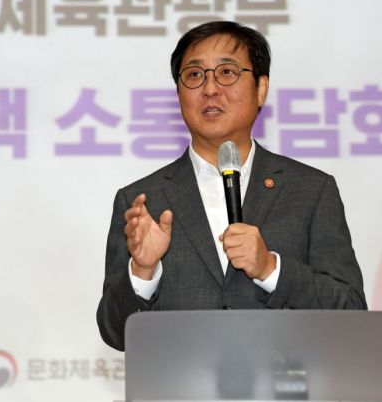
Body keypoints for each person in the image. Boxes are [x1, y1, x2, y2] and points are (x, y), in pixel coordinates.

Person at [96, 21, 366, 351]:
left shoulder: (311, 190)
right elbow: (115, 333)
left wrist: (270, 269)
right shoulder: (142, 201)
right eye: (194, 75)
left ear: (261, 88)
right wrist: (143, 269)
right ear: (178, 94)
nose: (210, 88)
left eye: (227, 72)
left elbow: (352, 313)